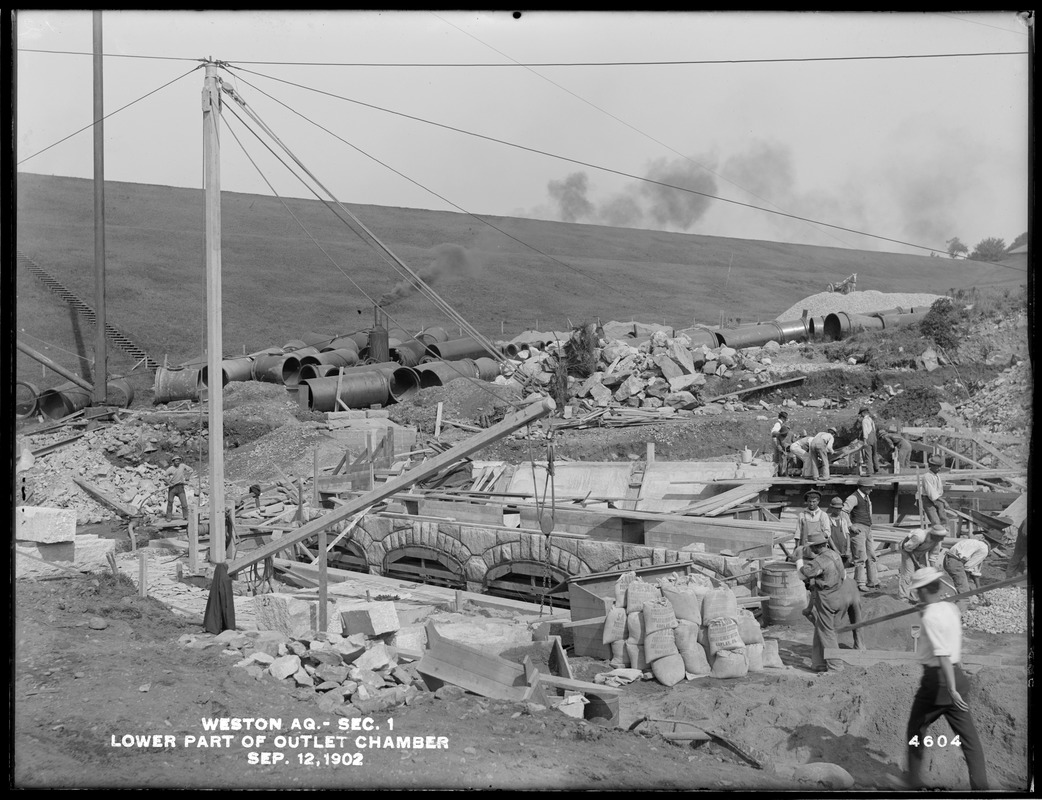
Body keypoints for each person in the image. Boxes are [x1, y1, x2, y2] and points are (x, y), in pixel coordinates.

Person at [904, 566, 989, 790]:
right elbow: (945, 632)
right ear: (940, 587)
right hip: (959, 677)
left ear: (921, 592)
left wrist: (950, 689)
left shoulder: (931, 616)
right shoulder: (950, 608)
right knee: (969, 740)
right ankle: (981, 788)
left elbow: (942, 654)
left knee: (915, 729)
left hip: (938, 682)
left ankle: (913, 783)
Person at [797, 530, 864, 673]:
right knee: (821, 629)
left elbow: (803, 574)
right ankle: (818, 663)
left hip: (827, 598)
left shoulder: (819, 561)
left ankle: (835, 666)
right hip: (839, 594)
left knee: (827, 632)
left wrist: (798, 559)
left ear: (815, 547)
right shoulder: (835, 555)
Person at [942, 529, 999, 612]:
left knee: (968, 584)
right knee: (964, 594)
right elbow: (968, 568)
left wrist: (979, 591)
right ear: (995, 544)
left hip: (948, 559)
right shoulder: (984, 549)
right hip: (956, 563)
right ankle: (957, 615)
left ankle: (965, 603)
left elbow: (973, 571)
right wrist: (974, 589)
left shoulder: (974, 542)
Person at [843, 478, 879, 592]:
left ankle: (873, 581)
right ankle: (859, 582)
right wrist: (850, 526)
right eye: (869, 487)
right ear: (862, 487)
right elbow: (844, 512)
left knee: (871, 555)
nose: (871, 489)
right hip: (858, 528)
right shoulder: (853, 497)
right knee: (860, 556)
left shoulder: (866, 497)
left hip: (867, 528)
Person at [899, 523, 948, 602]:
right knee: (908, 573)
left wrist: (934, 570)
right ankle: (903, 597)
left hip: (920, 551)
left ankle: (918, 596)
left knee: (923, 573)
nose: (942, 540)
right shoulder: (919, 536)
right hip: (907, 551)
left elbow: (932, 556)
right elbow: (908, 549)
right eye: (940, 538)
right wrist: (916, 563)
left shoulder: (937, 541)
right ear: (934, 535)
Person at [919, 455, 950, 524]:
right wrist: (944, 501)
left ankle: (945, 533)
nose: (939, 469)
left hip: (938, 499)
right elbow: (932, 494)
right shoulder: (927, 476)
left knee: (944, 520)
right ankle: (937, 533)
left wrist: (941, 502)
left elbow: (938, 492)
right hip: (928, 500)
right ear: (931, 465)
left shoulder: (937, 475)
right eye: (937, 467)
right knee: (935, 521)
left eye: (940, 466)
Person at [164, 454, 195, 521]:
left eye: (178, 461)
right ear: (173, 462)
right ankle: (168, 517)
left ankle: (186, 516)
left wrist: (188, 477)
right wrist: (169, 483)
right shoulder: (170, 469)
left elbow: (191, 470)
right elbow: (163, 477)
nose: (177, 462)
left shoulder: (182, 466)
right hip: (173, 488)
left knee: (184, 503)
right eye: (176, 461)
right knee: (170, 502)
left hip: (180, 487)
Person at [826, 495, 852, 565]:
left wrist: (848, 549)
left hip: (844, 547)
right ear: (831, 508)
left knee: (845, 565)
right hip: (834, 548)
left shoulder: (843, 520)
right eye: (836, 508)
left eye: (840, 508)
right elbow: (828, 537)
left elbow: (847, 535)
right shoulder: (828, 520)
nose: (838, 510)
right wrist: (835, 550)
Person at [856, 407, 879, 475]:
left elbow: (865, 431)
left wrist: (865, 441)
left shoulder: (864, 421)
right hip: (874, 438)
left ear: (863, 413)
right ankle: (876, 468)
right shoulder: (871, 419)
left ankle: (869, 471)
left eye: (861, 414)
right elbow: (874, 429)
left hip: (868, 438)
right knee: (874, 454)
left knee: (868, 455)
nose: (861, 415)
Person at [770, 411, 791, 477]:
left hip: (778, 441)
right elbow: (773, 433)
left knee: (780, 459)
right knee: (778, 459)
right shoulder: (778, 424)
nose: (786, 420)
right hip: (776, 441)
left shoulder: (780, 424)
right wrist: (780, 433)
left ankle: (778, 472)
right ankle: (777, 473)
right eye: (785, 418)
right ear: (782, 418)